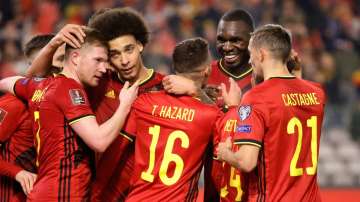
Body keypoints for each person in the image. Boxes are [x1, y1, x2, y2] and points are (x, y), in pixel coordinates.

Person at [26, 8, 165, 201]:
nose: (124, 61)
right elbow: (37, 80)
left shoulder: (165, 85)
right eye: (115, 54)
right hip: (95, 191)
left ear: (140, 45)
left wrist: (193, 87)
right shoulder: (98, 80)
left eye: (129, 49)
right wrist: (55, 42)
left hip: (142, 192)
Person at [0, 28, 139, 201]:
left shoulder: (40, 85)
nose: (104, 68)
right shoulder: (70, 89)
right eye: (98, 60)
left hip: (45, 191)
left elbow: (6, 82)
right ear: (75, 58)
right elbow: (99, 141)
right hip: (63, 193)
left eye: (106, 61)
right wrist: (125, 105)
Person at [217, 24, 325, 201]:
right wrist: (297, 73)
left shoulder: (256, 98)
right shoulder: (317, 93)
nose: (250, 62)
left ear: (261, 54)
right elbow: (291, 104)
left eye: (251, 55)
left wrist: (225, 153)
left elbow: (247, 161)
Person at [121, 37, 223, 201]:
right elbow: (231, 133)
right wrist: (197, 91)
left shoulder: (143, 103)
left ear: (175, 68)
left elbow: (119, 151)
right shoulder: (209, 114)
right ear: (207, 70)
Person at [0, 33, 64, 201]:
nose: (58, 72)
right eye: (55, 66)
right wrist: (17, 173)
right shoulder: (14, 103)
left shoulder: (68, 102)